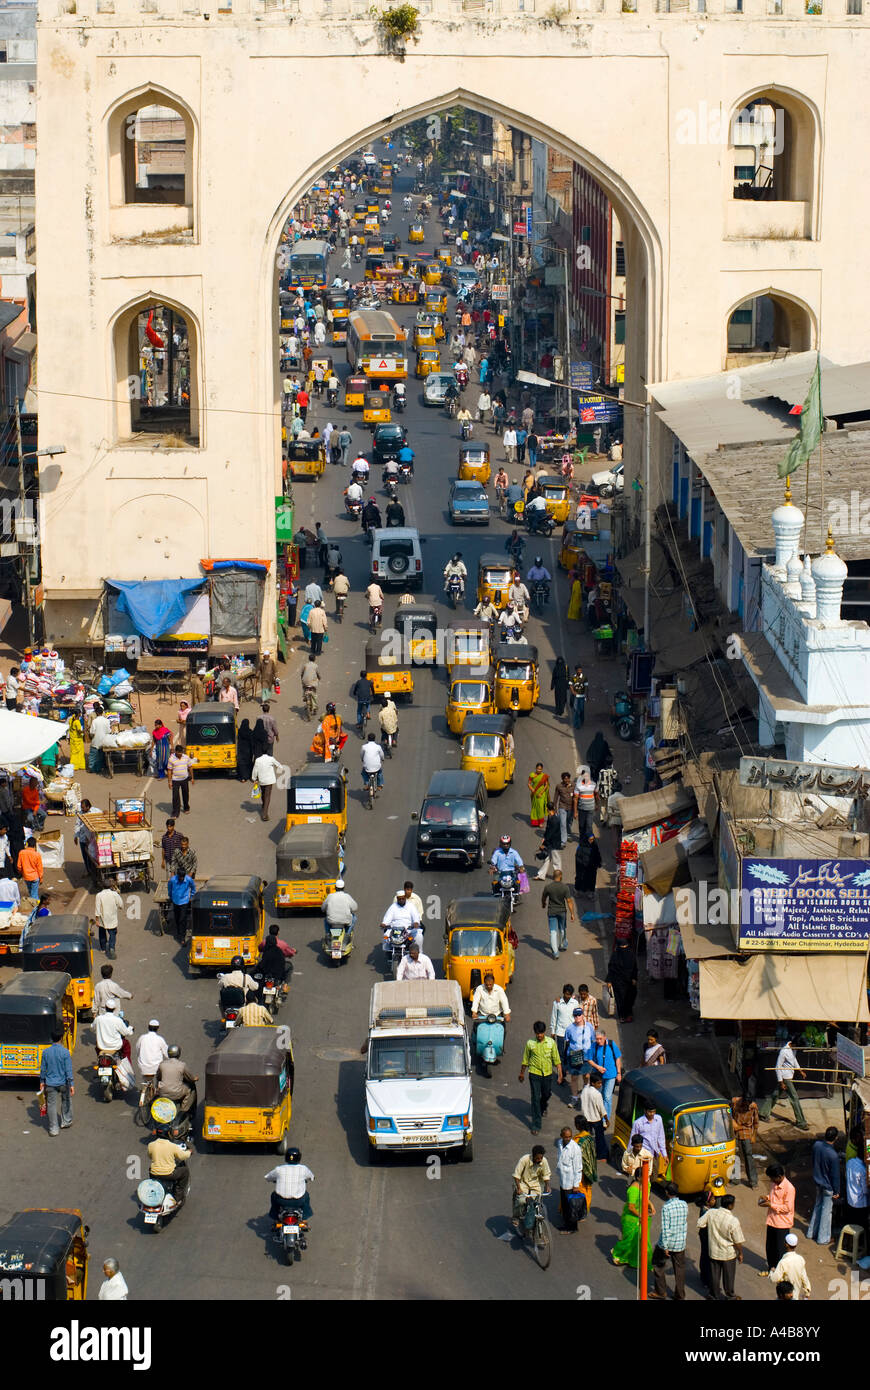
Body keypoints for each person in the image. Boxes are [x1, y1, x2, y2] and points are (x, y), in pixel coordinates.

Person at [518, 1021, 563, 1135]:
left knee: (546, 1094)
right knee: (535, 1098)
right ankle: (536, 1124)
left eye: (541, 1033)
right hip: (534, 1074)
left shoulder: (551, 1043)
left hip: (547, 1074)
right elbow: (525, 1060)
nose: (539, 1035)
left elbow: (557, 1060)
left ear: (544, 1032)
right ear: (535, 1033)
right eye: (537, 1033)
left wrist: (560, 1074)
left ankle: (543, 1106)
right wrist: (522, 1073)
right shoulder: (530, 1044)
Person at [698, 1193, 744, 1300]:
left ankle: (714, 1295)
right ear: (731, 1206)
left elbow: (700, 1223)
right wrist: (740, 1253)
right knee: (729, 1276)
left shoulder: (711, 1213)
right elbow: (737, 1241)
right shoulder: (733, 1221)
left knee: (714, 1275)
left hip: (713, 1250)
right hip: (728, 1254)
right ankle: (730, 1295)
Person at [758, 1037, 809, 1129]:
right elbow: (778, 1067)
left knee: (775, 1095)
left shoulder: (794, 1049)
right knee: (795, 1099)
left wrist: (800, 1070)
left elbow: (794, 1060)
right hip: (785, 1078)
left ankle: (763, 1113)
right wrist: (781, 1082)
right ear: (793, 1044)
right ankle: (801, 1122)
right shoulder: (784, 1051)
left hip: (789, 1076)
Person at [649, 1183, 688, 1300]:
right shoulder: (684, 1204)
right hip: (680, 1243)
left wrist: (665, 1246)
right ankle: (680, 1294)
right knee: (679, 1269)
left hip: (667, 1243)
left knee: (658, 1264)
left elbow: (666, 1229)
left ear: (667, 1192)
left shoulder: (666, 1207)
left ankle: (661, 1291)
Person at [807, 1126, 840, 1247]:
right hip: (828, 1187)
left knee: (817, 1206)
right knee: (827, 1212)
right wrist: (836, 1191)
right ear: (836, 1138)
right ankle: (823, 1238)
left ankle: (811, 1232)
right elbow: (835, 1176)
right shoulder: (833, 1155)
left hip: (818, 1182)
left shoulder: (817, 1145)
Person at [612, 1176, 654, 1269]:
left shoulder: (645, 1185)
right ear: (639, 1177)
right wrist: (641, 1216)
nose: (647, 1177)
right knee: (629, 1240)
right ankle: (618, 1254)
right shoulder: (633, 1190)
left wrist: (651, 1206)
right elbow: (631, 1207)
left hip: (641, 1216)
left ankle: (635, 1260)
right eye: (644, 1175)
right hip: (631, 1219)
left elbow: (645, 1198)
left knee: (641, 1240)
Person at [760, 1164, 796, 1273]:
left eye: (772, 1178)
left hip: (782, 1224)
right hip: (771, 1220)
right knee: (770, 1246)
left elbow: (787, 1208)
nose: (771, 1180)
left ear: (779, 1176)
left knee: (780, 1249)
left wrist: (771, 1205)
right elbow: (772, 1196)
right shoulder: (774, 1183)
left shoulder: (789, 1188)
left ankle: (780, 1271)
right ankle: (771, 1267)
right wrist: (765, 1198)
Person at [39, 1026, 74, 1136]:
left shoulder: (46, 1052)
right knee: (66, 1100)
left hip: (50, 1083)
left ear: (52, 1038)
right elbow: (68, 1069)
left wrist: (42, 1082)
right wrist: (72, 1084)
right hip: (64, 1083)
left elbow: (43, 1068)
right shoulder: (65, 1052)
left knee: (51, 1105)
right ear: (61, 1038)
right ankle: (66, 1121)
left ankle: (54, 1129)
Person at [265, 1148, 315, 1222]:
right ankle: (305, 1216)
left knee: (273, 1195)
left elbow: (268, 1177)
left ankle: (275, 1215)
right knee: (306, 1195)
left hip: (281, 1201)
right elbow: (311, 1177)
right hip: (299, 1201)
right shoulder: (303, 1169)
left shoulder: (279, 1169)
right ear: (299, 1157)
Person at [556, 1127, 586, 1234]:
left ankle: (572, 1228)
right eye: (566, 1137)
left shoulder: (575, 1148)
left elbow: (578, 1168)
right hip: (563, 1180)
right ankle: (566, 1224)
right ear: (562, 1136)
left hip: (570, 1182)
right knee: (564, 1204)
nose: (568, 1139)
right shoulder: (560, 1143)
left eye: (570, 1137)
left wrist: (576, 1185)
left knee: (571, 1207)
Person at [540, 870, 576, 959]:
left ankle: (555, 952)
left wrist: (543, 904)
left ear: (553, 876)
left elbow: (543, 897)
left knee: (553, 932)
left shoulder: (548, 887)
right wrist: (572, 913)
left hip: (552, 911)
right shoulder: (565, 888)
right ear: (560, 876)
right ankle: (562, 945)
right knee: (562, 929)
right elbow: (569, 901)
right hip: (562, 912)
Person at [156, 1045, 198, 1114]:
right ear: (178, 1054)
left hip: (162, 1092)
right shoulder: (182, 1065)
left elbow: (158, 1077)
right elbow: (190, 1078)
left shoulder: (162, 1064)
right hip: (177, 1093)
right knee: (190, 1091)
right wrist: (195, 1078)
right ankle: (183, 1110)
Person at [770, 1233, 812, 1300]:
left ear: (786, 1245)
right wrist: (807, 1292)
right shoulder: (800, 1259)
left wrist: (772, 1272)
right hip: (795, 1295)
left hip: (785, 1295)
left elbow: (774, 1279)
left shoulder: (783, 1262)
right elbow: (804, 1276)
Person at [731, 1093, 760, 1190]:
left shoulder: (753, 1106)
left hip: (746, 1131)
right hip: (734, 1131)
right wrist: (732, 1121)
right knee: (734, 1155)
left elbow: (756, 1122)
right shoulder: (734, 1101)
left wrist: (754, 1136)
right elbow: (726, 1111)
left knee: (748, 1155)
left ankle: (753, 1181)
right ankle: (735, 1179)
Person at [606, 937, 637, 1023]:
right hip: (618, 982)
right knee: (620, 999)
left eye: (626, 945)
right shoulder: (615, 955)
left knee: (630, 998)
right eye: (623, 946)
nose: (624, 947)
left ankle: (629, 1014)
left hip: (629, 981)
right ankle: (622, 1016)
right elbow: (611, 968)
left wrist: (634, 978)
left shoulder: (630, 954)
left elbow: (635, 967)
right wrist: (609, 980)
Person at [579, 1074, 610, 1158]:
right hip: (596, 1119)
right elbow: (601, 1109)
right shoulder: (597, 1094)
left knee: (587, 1137)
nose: (600, 1085)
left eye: (601, 1083)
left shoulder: (584, 1090)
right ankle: (601, 1155)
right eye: (598, 1083)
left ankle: (587, 1153)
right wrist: (607, 1120)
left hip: (586, 1118)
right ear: (593, 1083)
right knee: (600, 1138)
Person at [251, 749, 286, 823]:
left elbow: (255, 770)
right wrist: (281, 769)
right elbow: (279, 765)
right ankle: (264, 814)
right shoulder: (271, 759)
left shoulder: (258, 760)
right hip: (270, 780)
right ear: (268, 752)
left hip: (262, 780)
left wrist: (254, 778)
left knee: (263, 794)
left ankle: (264, 806)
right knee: (267, 795)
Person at [630, 1103, 668, 1167]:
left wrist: (664, 1154)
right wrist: (631, 1158)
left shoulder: (658, 1119)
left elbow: (661, 1137)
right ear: (645, 1111)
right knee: (643, 1175)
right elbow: (633, 1140)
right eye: (650, 1112)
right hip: (643, 1155)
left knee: (654, 1175)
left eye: (654, 1112)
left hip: (655, 1153)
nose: (652, 1114)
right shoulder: (638, 1123)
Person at [845, 1147, 870, 1244]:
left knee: (852, 1223)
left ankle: (851, 1243)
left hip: (850, 1200)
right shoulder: (863, 1170)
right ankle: (861, 1245)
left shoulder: (850, 1162)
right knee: (862, 1227)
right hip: (860, 1204)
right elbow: (865, 1190)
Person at [548, 984, 576, 1069]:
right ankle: (562, 1073)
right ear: (563, 993)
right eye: (566, 994)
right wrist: (553, 1031)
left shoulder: (575, 1003)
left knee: (568, 1052)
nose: (567, 996)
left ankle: (565, 1067)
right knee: (560, 1053)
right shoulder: (557, 1003)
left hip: (571, 1032)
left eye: (569, 994)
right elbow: (554, 1017)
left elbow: (577, 1017)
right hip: (560, 1031)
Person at [94, 885, 124, 959]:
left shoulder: (99, 895)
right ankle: (111, 947)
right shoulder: (114, 894)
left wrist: (97, 920)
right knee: (112, 934)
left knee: (102, 934)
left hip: (102, 919)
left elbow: (97, 909)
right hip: (112, 919)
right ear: (110, 886)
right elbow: (121, 905)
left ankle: (103, 949)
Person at [167, 867, 196, 942]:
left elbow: (193, 888)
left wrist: (191, 896)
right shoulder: (173, 880)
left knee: (182, 919)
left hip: (184, 901)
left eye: (183, 877)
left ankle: (182, 937)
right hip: (175, 901)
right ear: (178, 876)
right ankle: (179, 932)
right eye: (180, 877)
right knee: (176, 918)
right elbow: (169, 888)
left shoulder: (189, 879)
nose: (181, 879)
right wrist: (170, 896)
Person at [136, 1019, 169, 1085]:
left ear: (148, 1027)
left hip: (143, 1066)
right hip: (156, 1067)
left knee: (146, 1081)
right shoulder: (159, 1039)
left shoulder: (142, 1038)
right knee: (159, 1080)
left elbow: (137, 1048)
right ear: (157, 1028)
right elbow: (167, 1053)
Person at [535, 806, 563, 880]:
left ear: (548, 809)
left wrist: (544, 844)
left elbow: (551, 833)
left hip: (554, 844)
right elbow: (547, 829)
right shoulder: (550, 817)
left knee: (556, 860)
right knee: (546, 858)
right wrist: (544, 838)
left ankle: (558, 876)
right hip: (550, 843)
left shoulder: (555, 820)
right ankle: (541, 875)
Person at [574, 834, 602, 904]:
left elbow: (597, 855)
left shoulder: (594, 846)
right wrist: (582, 864)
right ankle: (578, 891)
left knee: (591, 880)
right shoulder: (581, 847)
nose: (591, 841)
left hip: (591, 868)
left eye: (592, 839)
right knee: (580, 878)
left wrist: (598, 863)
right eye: (590, 839)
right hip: (582, 868)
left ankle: (590, 894)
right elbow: (577, 857)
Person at [167, 744, 194, 816]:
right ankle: (175, 812)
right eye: (179, 753)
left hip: (185, 779)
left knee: (185, 794)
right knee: (175, 796)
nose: (180, 754)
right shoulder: (171, 759)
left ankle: (186, 808)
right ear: (175, 752)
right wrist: (169, 782)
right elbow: (169, 770)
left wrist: (192, 778)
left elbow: (190, 767)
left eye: (181, 753)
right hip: (175, 780)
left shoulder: (186, 757)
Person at [572, 768, 598, 837]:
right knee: (582, 826)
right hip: (582, 809)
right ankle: (582, 840)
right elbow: (575, 799)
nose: (586, 778)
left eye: (588, 776)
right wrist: (575, 812)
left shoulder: (594, 784)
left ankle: (589, 840)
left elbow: (596, 795)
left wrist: (597, 804)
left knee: (589, 825)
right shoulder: (578, 785)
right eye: (585, 776)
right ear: (582, 777)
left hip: (590, 809)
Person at [527, 763, 549, 829]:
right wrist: (532, 790)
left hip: (541, 794)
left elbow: (546, 785)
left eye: (540, 769)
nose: (539, 770)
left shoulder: (544, 776)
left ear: (542, 769)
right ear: (535, 768)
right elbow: (529, 784)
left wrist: (541, 793)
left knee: (540, 807)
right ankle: (535, 822)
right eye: (538, 769)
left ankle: (540, 822)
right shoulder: (532, 775)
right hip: (534, 793)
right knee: (534, 807)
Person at [236, 718, 254, 783]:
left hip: (241, 749)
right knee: (248, 763)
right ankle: (248, 775)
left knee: (241, 764)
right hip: (248, 750)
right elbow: (252, 741)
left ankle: (243, 778)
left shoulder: (239, 731)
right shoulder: (250, 732)